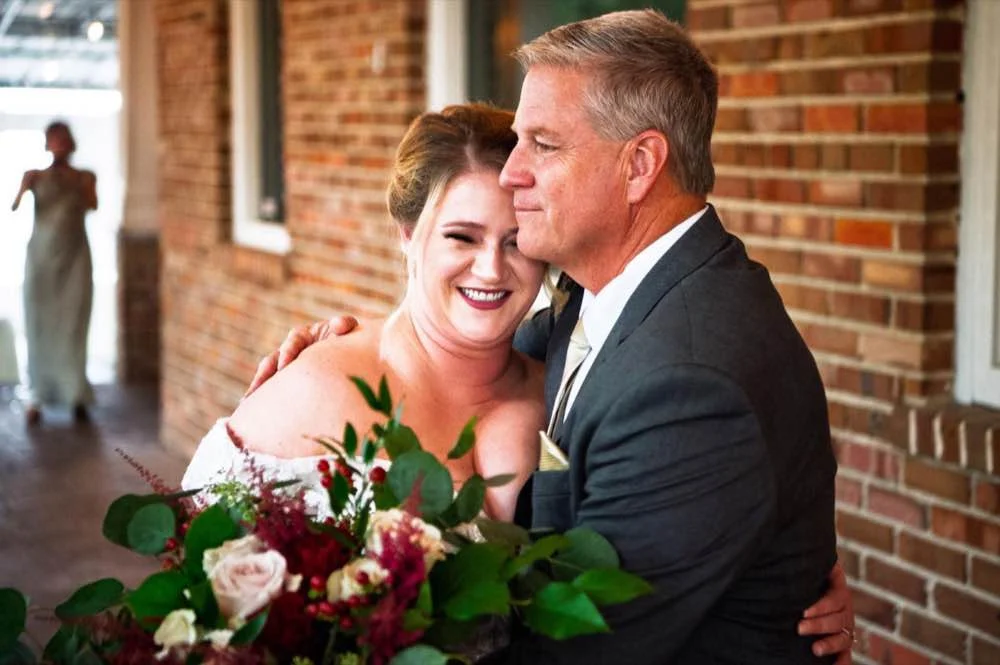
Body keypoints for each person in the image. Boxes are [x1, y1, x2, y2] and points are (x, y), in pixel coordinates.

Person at [248, 10, 854, 665]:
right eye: (516, 141)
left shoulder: (691, 384)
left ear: (640, 163)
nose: (512, 173)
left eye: (542, 142)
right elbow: (488, 351)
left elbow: (577, 654)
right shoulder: (605, 298)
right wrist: (347, 343)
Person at [183, 104, 547, 523]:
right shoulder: (319, 388)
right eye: (462, 237)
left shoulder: (559, 394)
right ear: (407, 234)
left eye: (516, 242)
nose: (491, 269)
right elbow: (195, 563)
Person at [10, 121, 97, 425]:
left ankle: (76, 394)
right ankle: (37, 395)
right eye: (53, 139)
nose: (59, 144)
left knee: (73, 328)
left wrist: (82, 187)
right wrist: (24, 185)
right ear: (47, 143)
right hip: (41, 260)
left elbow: (93, 205)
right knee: (39, 327)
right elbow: (13, 206)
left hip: (75, 258)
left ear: (70, 143)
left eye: (63, 139)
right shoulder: (35, 177)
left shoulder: (85, 177)